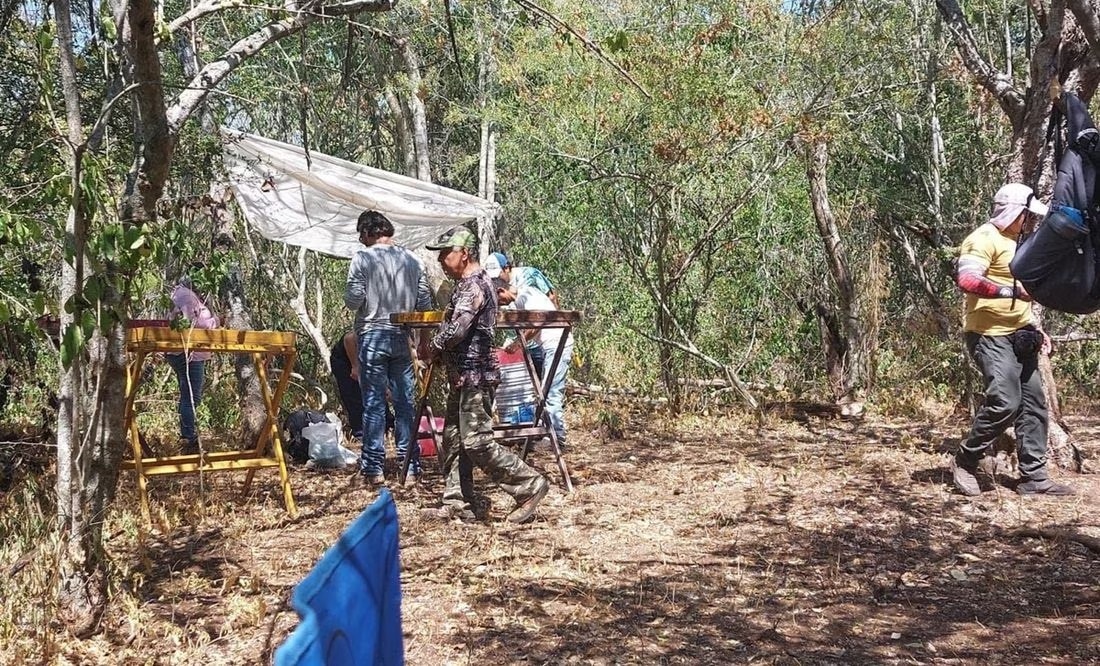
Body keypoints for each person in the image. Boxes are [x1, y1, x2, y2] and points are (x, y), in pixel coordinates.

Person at [951, 183, 1073, 497]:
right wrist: (1012, 292)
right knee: (1005, 401)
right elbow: (967, 279)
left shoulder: (1024, 242)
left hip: (1021, 334)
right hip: (988, 335)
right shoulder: (983, 238)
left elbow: (1025, 295)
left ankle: (1034, 478)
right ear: (1013, 212)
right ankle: (965, 461)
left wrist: (1035, 327)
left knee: (1034, 406)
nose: (1032, 221)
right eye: (1028, 215)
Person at [422, 226, 550, 523]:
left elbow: (458, 330)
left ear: (464, 254)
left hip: (476, 376)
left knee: (476, 441)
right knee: (454, 439)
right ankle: (458, 501)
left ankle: (529, 484)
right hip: (462, 376)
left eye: (446, 253)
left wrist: (434, 347)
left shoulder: (475, 286)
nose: (441, 260)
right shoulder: (468, 285)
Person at [344, 210, 433, 485]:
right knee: (405, 402)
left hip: (373, 334)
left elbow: (353, 300)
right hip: (403, 336)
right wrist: (424, 340)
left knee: (374, 403)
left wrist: (367, 294)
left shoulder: (363, 258)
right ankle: (410, 466)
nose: (361, 240)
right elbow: (424, 303)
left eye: (361, 235)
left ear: (368, 232)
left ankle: (373, 468)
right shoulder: (412, 259)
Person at [494, 277, 574, 450]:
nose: (500, 304)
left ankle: (557, 438)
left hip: (556, 343)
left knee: (551, 392)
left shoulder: (527, 295)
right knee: (545, 390)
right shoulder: (521, 300)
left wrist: (517, 344)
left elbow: (536, 323)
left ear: (501, 291)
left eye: (498, 300)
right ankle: (547, 433)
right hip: (549, 345)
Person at [166, 271, 219, 455]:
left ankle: (187, 435)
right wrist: (216, 321)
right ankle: (188, 437)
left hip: (185, 351)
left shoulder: (182, 294)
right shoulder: (186, 295)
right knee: (191, 397)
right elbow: (196, 323)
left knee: (188, 395)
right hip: (189, 353)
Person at [484, 251, 559, 376]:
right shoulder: (494, 286)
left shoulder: (529, 275)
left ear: (507, 268)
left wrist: (557, 331)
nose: (495, 280)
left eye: (497, 275)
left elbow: (551, 298)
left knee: (544, 378)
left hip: (538, 342)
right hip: (513, 342)